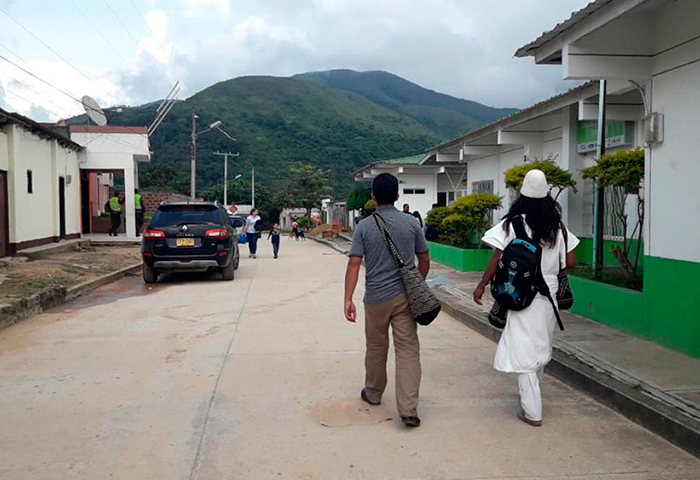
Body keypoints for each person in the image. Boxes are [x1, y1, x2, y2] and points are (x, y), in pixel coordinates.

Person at [472, 169, 579, 427]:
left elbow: (496, 257)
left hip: (520, 293)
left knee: (522, 351)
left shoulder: (513, 224)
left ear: (522, 195)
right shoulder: (558, 228)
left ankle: (532, 411)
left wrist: (482, 284)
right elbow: (572, 262)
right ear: (547, 197)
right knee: (539, 347)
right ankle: (532, 394)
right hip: (549, 296)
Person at [344, 173, 430, 428]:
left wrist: (348, 298)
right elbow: (424, 259)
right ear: (397, 196)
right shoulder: (411, 223)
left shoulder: (364, 226)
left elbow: (354, 263)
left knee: (376, 348)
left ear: (373, 197)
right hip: (404, 297)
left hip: (375, 299)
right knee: (407, 351)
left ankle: (373, 393)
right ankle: (409, 409)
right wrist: (418, 283)